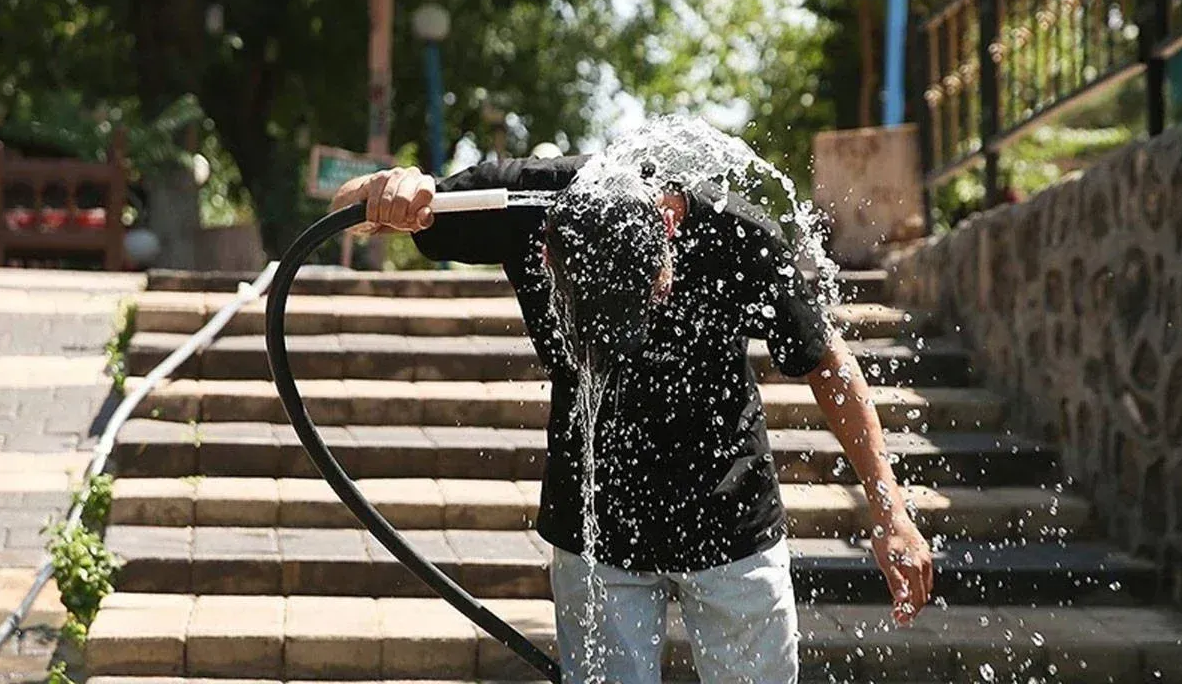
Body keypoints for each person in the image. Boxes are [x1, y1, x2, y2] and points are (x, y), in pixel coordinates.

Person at [331, 155, 934, 684]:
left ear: (669, 229)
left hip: (730, 523)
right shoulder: (519, 202)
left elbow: (828, 365)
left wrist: (891, 513)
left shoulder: (738, 234)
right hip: (595, 528)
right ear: (547, 247)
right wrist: (384, 191)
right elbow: (347, 208)